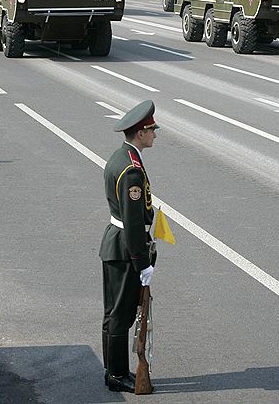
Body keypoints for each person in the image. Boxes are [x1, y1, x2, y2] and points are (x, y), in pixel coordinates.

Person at [100, 100, 159, 393]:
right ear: (139, 133)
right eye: (151, 130)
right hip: (125, 248)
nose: (154, 135)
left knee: (113, 312)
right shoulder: (132, 171)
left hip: (115, 241)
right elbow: (134, 222)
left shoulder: (120, 157)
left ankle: (111, 369)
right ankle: (117, 375)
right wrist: (142, 263)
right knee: (121, 315)